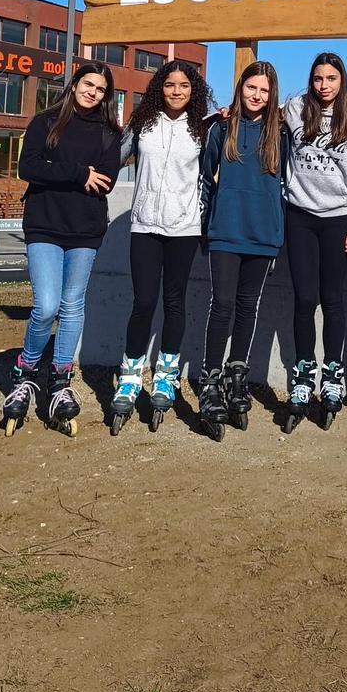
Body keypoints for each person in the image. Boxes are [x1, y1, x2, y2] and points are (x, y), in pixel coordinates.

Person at [0, 61, 122, 437]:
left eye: (101, 90)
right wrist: (78, 173)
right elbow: (29, 168)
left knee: (72, 306)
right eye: (88, 84)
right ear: (74, 84)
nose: (93, 93)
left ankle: (60, 379)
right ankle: (26, 371)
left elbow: (107, 182)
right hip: (44, 225)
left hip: (85, 230)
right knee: (46, 305)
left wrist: (63, 170)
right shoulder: (45, 122)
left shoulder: (109, 133)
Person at [109, 59, 212, 434]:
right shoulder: (142, 124)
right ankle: (131, 375)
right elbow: (113, 159)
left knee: (174, 302)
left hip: (184, 228)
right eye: (170, 85)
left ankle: (166, 375)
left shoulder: (203, 127)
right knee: (144, 302)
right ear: (159, 88)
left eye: (184, 86)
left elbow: (213, 173)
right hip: (145, 225)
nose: (177, 91)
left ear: (193, 90)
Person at [197, 60, 286, 438]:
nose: (257, 95)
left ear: (272, 96)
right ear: (241, 88)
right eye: (252, 88)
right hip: (226, 231)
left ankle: (237, 374)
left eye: (264, 91)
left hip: (263, 233)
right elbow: (204, 178)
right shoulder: (221, 129)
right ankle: (211, 380)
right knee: (224, 304)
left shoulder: (280, 134)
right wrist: (204, 227)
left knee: (249, 306)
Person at [281, 51, 347, 430]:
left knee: (333, 301)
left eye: (331, 78)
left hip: (337, 219)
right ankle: (302, 376)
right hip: (299, 215)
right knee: (303, 299)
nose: (323, 85)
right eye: (318, 78)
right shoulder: (295, 107)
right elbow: (260, 112)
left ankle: (332, 375)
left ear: (341, 80)